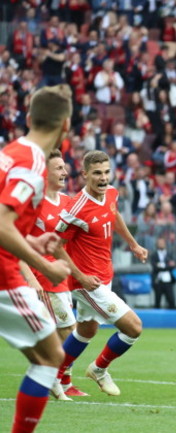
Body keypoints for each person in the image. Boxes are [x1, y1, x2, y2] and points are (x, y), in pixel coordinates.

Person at [0, 84, 73, 433]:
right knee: (50, 357)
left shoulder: (12, 151)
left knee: (46, 356)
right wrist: (46, 266)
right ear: (66, 126)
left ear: (29, 118)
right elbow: (1, 224)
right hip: (2, 274)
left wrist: (31, 238)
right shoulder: (34, 163)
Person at [54, 150, 148, 397]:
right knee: (134, 328)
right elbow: (55, 246)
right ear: (85, 174)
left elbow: (114, 215)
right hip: (86, 281)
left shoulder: (111, 193)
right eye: (97, 173)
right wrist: (81, 277)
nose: (103, 178)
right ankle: (99, 368)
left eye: (106, 172)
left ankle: (53, 376)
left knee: (87, 331)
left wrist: (133, 244)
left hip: (104, 274)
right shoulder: (76, 209)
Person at [24, 149, 87, 399]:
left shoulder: (68, 202)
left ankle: (60, 379)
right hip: (44, 274)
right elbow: (17, 239)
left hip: (64, 273)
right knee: (69, 328)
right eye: (58, 168)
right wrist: (29, 277)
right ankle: (53, 378)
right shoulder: (34, 204)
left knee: (62, 330)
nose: (64, 171)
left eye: (64, 167)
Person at [151, 236, 176, 309]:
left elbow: (173, 265)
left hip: (168, 281)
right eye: (160, 243)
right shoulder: (154, 255)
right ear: (157, 244)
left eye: (162, 243)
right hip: (158, 281)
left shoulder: (169, 254)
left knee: (171, 301)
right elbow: (155, 267)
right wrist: (167, 266)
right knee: (157, 301)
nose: (161, 244)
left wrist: (161, 266)